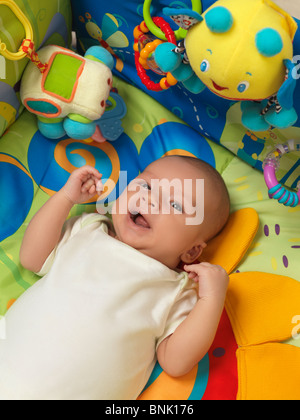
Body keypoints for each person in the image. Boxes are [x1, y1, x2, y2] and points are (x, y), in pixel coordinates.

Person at [0, 155, 230, 400]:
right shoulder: (88, 229)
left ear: (192, 251)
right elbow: (32, 258)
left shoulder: (175, 289)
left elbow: (176, 362)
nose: (149, 200)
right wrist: (65, 198)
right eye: (146, 186)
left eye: (175, 205)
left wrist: (212, 299)